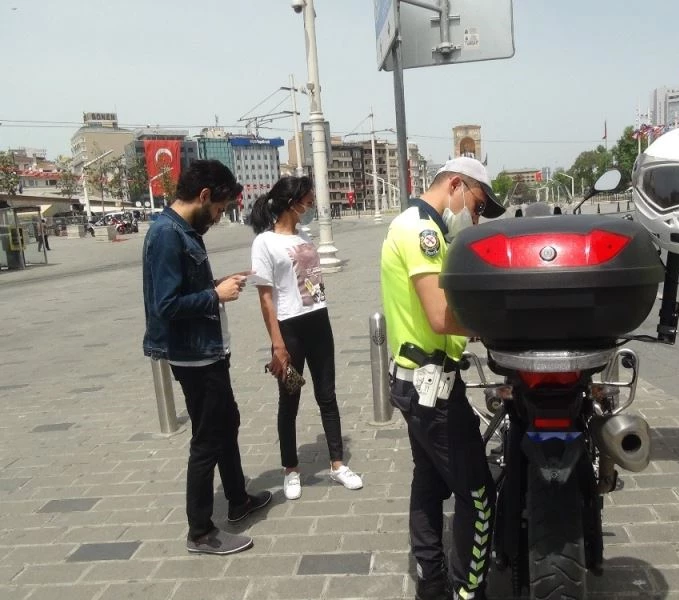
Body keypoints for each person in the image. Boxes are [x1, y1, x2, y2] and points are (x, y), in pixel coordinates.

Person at [380, 156, 505, 600]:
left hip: (417, 381)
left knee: (429, 483)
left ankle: (431, 584)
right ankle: (467, 590)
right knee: (478, 496)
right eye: (477, 203)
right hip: (430, 386)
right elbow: (439, 315)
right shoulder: (422, 230)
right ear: (455, 184)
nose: (476, 216)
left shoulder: (424, 227)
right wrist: (502, 322)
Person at [142, 159, 272, 556]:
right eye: (217, 209)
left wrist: (216, 284)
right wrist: (215, 295)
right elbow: (165, 305)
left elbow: (184, 289)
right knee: (207, 439)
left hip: (207, 351)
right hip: (194, 356)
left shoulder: (183, 230)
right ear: (203, 196)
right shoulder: (167, 234)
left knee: (225, 421)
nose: (217, 218)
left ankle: (237, 499)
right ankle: (199, 532)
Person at [250, 175, 363, 501]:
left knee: (327, 395)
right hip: (290, 329)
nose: (311, 204)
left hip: (319, 321)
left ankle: (338, 464)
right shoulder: (264, 243)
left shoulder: (304, 234)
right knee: (291, 399)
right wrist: (278, 344)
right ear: (291, 202)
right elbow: (266, 297)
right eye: (307, 199)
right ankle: (291, 469)